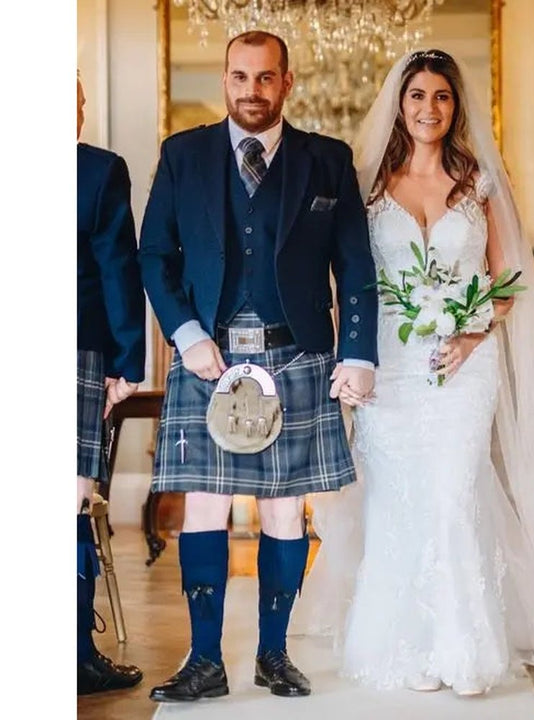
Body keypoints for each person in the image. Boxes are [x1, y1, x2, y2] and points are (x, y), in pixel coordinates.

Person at [294, 49, 534, 696]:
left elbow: (509, 281)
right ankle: (401, 646)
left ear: (455, 106)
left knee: (454, 495)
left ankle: (464, 649)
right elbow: (347, 275)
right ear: (400, 105)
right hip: (392, 367)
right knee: (395, 501)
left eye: (440, 96)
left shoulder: (481, 184)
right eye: (417, 97)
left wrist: (471, 333)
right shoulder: (368, 184)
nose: (428, 108)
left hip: (465, 365)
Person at [139, 31, 378, 702]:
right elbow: (155, 254)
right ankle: (205, 659)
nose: (252, 89)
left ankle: (275, 654)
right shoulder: (182, 156)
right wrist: (186, 335)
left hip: (296, 352)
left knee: (282, 511)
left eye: (265, 77)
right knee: (203, 508)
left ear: (287, 82)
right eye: (239, 76)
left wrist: (358, 351)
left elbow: (355, 266)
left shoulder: (327, 160)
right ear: (224, 80)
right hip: (207, 354)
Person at [76, 76, 146, 694]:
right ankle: (72, 657)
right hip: (76, 356)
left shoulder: (98, 172)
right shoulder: (98, 171)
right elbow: (118, 270)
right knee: (69, 507)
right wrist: (125, 365)